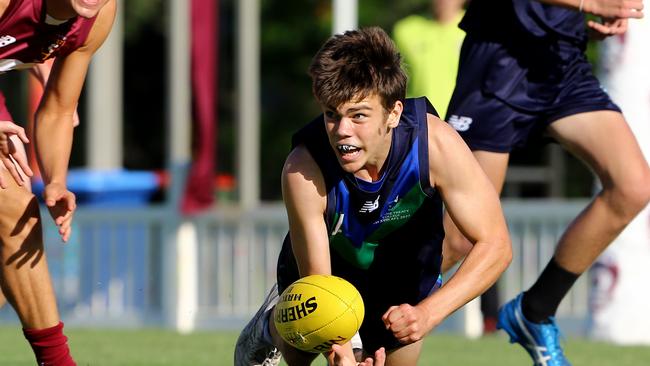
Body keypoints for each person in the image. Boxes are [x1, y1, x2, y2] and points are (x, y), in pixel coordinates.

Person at [234, 26, 512, 366]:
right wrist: (345, 353)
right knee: (303, 338)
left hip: (403, 269)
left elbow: (496, 245)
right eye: (332, 115)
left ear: (393, 113)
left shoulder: (435, 145)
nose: (342, 131)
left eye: (358, 116)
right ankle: (269, 328)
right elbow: (323, 290)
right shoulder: (303, 169)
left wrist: (427, 313)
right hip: (330, 273)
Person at [442, 0, 650, 364]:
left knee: (632, 185)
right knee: (460, 236)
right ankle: (362, 306)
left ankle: (534, 312)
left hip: (561, 62)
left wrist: (582, 17)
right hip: (500, 58)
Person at [0, 0, 116, 365]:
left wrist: (55, 180)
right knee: (11, 196)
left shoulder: (98, 16)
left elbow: (59, 110)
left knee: (15, 209)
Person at [394, 0, 502, 334]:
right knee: (419, 230)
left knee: (477, 231)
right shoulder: (407, 30)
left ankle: (489, 318)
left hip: (471, 137)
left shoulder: (480, 25)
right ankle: (394, 295)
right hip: (419, 143)